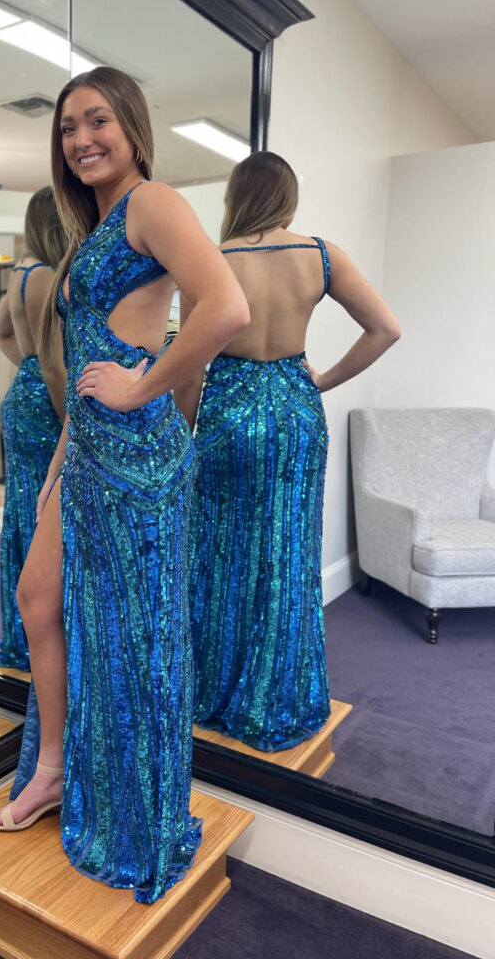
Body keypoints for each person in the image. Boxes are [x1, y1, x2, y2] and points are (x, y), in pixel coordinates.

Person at [0, 67, 250, 904]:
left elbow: (227, 308)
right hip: (89, 451)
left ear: (132, 127)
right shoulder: (90, 227)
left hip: (140, 454)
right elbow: (86, 353)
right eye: (68, 127)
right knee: (39, 599)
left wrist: (144, 385)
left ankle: (135, 804)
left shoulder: (154, 201)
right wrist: (56, 469)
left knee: (135, 635)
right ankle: (58, 769)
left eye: (97, 120)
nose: (81, 138)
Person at [179, 150, 401, 751]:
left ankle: (216, 694)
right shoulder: (319, 255)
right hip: (296, 412)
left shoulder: (212, 261)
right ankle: (276, 696)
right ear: (288, 197)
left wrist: (190, 430)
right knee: (287, 553)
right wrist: (320, 380)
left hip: (227, 415)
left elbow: (189, 367)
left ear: (236, 199)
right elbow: (386, 328)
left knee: (220, 553)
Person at [0, 187, 68, 670]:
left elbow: (1, 332)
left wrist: (28, 369)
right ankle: (38, 626)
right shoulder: (43, 275)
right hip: (42, 406)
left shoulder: (22, 269)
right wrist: (68, 420)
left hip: (23, 396)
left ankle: (23, 628)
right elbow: (57, 365)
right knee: (44, 510)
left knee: (25, 508)